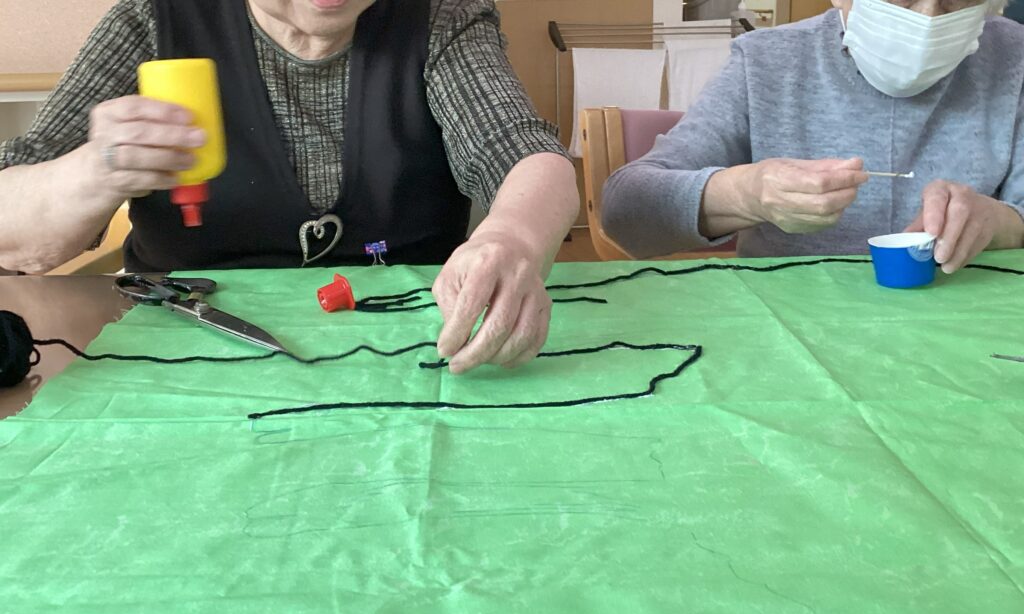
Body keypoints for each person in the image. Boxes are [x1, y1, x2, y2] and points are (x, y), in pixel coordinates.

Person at [0, 0, 580, 374]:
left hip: (409, 354)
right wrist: (97, 169)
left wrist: (511, 237)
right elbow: (13, 231)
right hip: (181, 355)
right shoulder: (154, 19)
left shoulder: (441, 14)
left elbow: (525, 154)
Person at [602, 0, 1024, 274]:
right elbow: (626, 210)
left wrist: (1002, 224)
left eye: (955, 0)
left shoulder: (1015, 59)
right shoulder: (766, 61)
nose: (928, 17)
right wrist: (747, 194)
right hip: (788, 330)